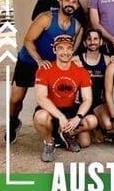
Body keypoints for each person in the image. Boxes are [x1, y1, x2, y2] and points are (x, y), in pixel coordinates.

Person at [6, 0, 83, 144]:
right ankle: (13, 121)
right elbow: (28, 40)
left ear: (78, 6)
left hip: (51, 66)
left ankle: (54, 131)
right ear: (60, 2)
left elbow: (70, 49)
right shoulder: (46, 18)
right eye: (67, 0)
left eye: (74, 2)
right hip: (29, 61)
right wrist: (39, 60)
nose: (70, 4)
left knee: (50, 98)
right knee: (16, 98)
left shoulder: (76, 26)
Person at [34, 34, 97, 162]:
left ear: (73, 50)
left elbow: (87, 99)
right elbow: (41, 98)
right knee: (40, 117)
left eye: (69, 48)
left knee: (92, 122)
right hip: (52, 110)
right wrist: (60, 116)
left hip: (70, 109)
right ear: (54, 50)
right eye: (61, 48)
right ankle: (49, 142)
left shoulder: (81, 71)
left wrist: (77, 118)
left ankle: (67, 134)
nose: (65, 52)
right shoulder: (45, 69)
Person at [74, 28, 112, 142]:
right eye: (89, 39)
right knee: (84, 143)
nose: (92, 42)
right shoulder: (76, 60)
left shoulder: (107, 60)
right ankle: (73, 130)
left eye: (96, 39)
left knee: (108, 124)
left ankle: (96, 127)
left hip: (98, 103)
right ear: (85, 43)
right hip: (80, 103)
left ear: (100, 42)